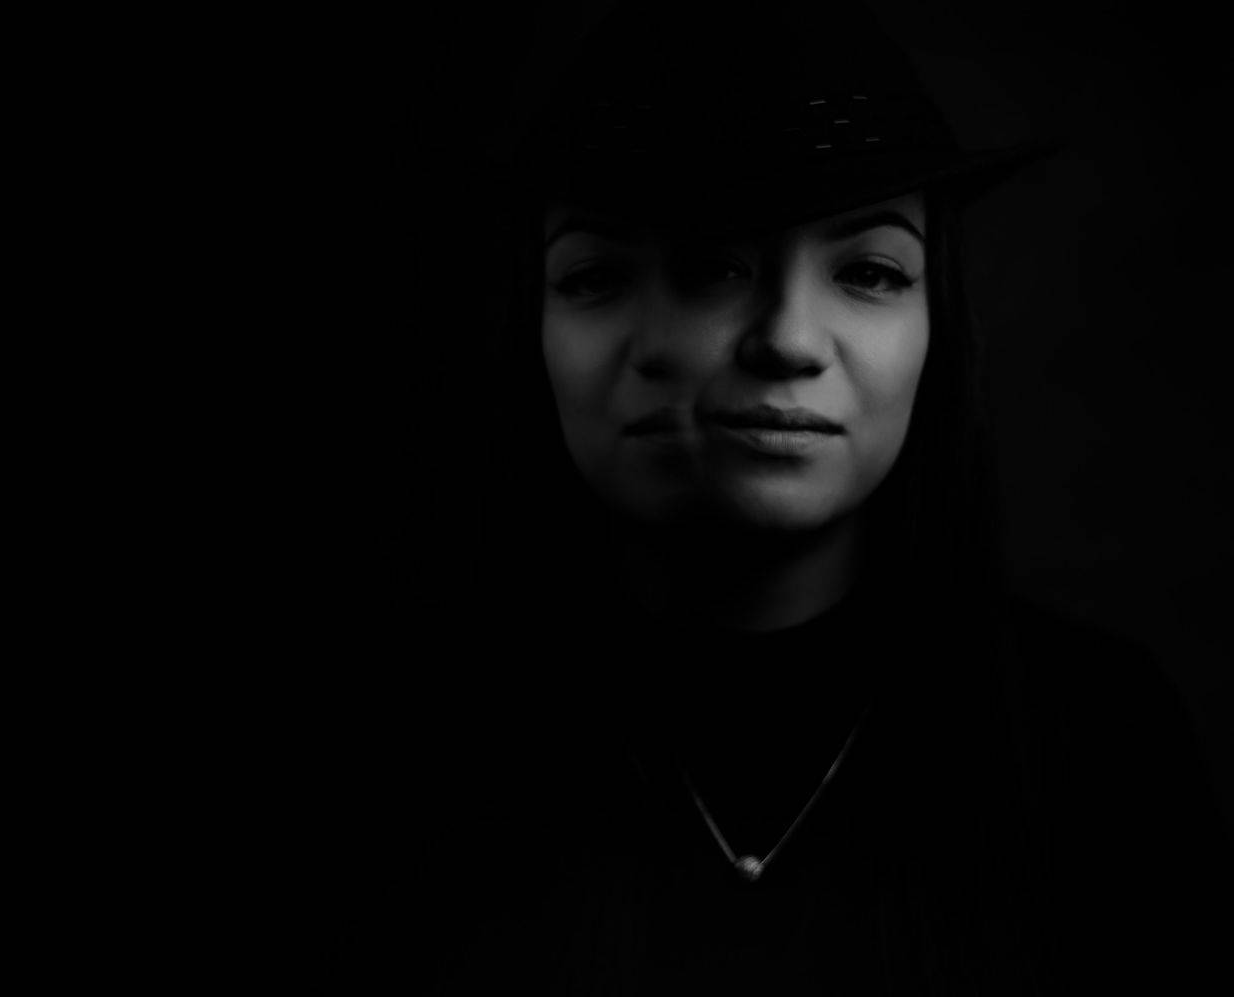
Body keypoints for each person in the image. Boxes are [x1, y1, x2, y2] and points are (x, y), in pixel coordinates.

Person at [412, 1, 1232, 993]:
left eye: (871, 271)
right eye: (609, 275)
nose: (788, 340)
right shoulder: (418, 738)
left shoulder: (1099, 744)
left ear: (939, 322)